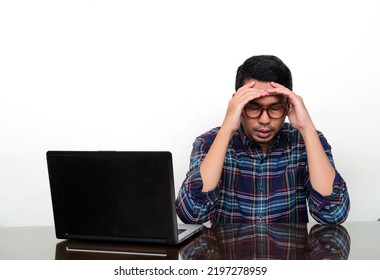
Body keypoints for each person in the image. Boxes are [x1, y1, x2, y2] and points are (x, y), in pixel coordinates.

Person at [176, 55, 350, 225]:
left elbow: (333, 215)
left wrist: (307, 129)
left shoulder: (307, 141)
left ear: (289, 105)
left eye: (275, 108)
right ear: (237, 104)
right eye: (253, 107)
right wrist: (227, 128)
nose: (265, 120)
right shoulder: (208, 142)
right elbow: (191, 214)